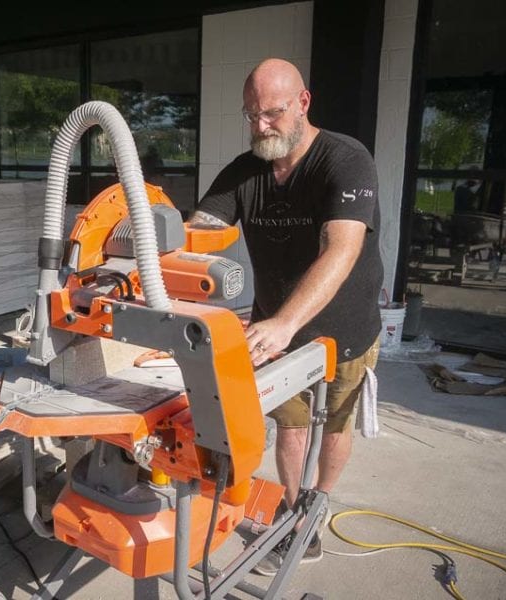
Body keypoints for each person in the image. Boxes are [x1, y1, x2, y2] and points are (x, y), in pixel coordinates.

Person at [190, 58, 383, 574]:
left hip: (344, 328)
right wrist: (152, 242)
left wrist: (283, 322)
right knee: (292, 428)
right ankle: (297, 517)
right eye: (251, 115)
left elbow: (340, 250)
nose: (260, 127)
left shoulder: (345, 160)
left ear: (303, 102)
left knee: (335, 423)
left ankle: (320, 501)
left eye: (272, 113)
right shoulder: (245, 170)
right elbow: (199, 233)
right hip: (278, 331)